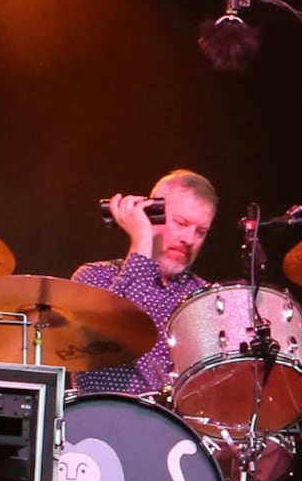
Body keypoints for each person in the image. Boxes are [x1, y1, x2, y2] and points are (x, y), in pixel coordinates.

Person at [66, 171, 218, 399]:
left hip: (179, 430)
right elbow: (113, 335)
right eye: (180, 223)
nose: (189, 238)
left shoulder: (204, 297)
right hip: (105, 422)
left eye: (200, 231)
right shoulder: (95, 277)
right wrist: (141, 240)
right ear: (151, 214)